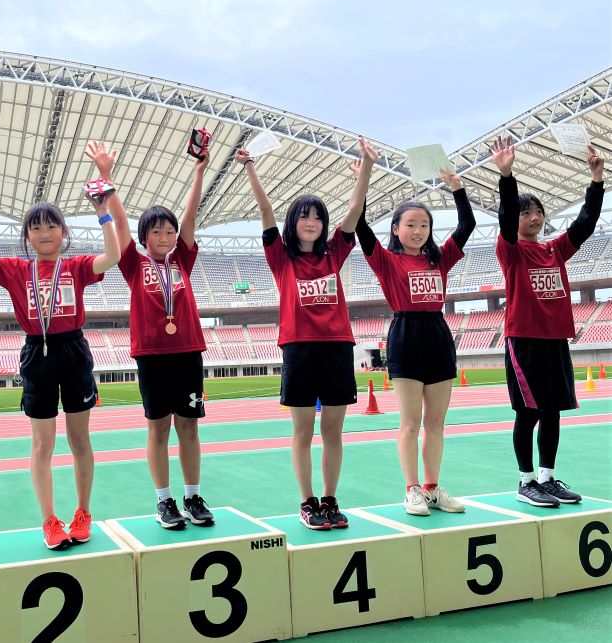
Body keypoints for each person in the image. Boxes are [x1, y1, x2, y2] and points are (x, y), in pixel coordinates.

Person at [0, 180, 120, 549]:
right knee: (42, 444)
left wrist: (101, 211)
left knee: (80, 439)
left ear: (64, 232)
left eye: (52, 225)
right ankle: (49, 519)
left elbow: (112, 255)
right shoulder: (16, 269)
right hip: (36, 353)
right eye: (36, 227)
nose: (45, 233)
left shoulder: (77, 266)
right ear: (27, 237)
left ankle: (83, 512)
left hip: (74, 349)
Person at [235, 138, 377, 529]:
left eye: (317, 216)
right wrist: (250, 168)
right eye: (303, 216)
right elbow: (265, 210)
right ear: (293, 222)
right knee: (302, 431)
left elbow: (354, 209)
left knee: (333, 432)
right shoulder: (280, 257)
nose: (311, 222)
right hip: (298, 349)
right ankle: (307, 501)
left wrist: (365, 165)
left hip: (335, 349)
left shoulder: (335, 253)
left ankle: (330, 500)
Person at [90, 139, 214, 530]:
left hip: (188, 350)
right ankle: (165, 501)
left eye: (169, 231)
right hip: (152, 355)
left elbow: (191, 216)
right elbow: (122, 223)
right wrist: (106, 176)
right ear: (145, 238)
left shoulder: (182, 258)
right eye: (157, 232)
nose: (165, 237)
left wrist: (198, 172)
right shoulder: (133, 263)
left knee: (189, 425)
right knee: (158, 427)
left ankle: (193, 495)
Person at [491, 136, 605, 507]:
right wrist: (507, 177)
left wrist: (597, 182)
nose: (533, 218)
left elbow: (584, 226)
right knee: (529, 411)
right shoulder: (511, 250)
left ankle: (547, 477)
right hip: (524, 339)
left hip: (555, 339)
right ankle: (525, 482)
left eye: (537, 211)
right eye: (526, 213)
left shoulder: (554, 249)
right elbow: (506, 219)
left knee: (553, 410)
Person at [355, 167, 475, 515]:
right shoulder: (387, 260)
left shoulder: (440, 258)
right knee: (409, 422)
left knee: (436, 423)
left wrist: (458, 189)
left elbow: (466, 227)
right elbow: (360, 227)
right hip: (405, 335)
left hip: (438, 335)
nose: (418, 230)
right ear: (396, 229)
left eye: (424, 225)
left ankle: (433, 488)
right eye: (410, 224)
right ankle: (411, 490)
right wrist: (363, 177)